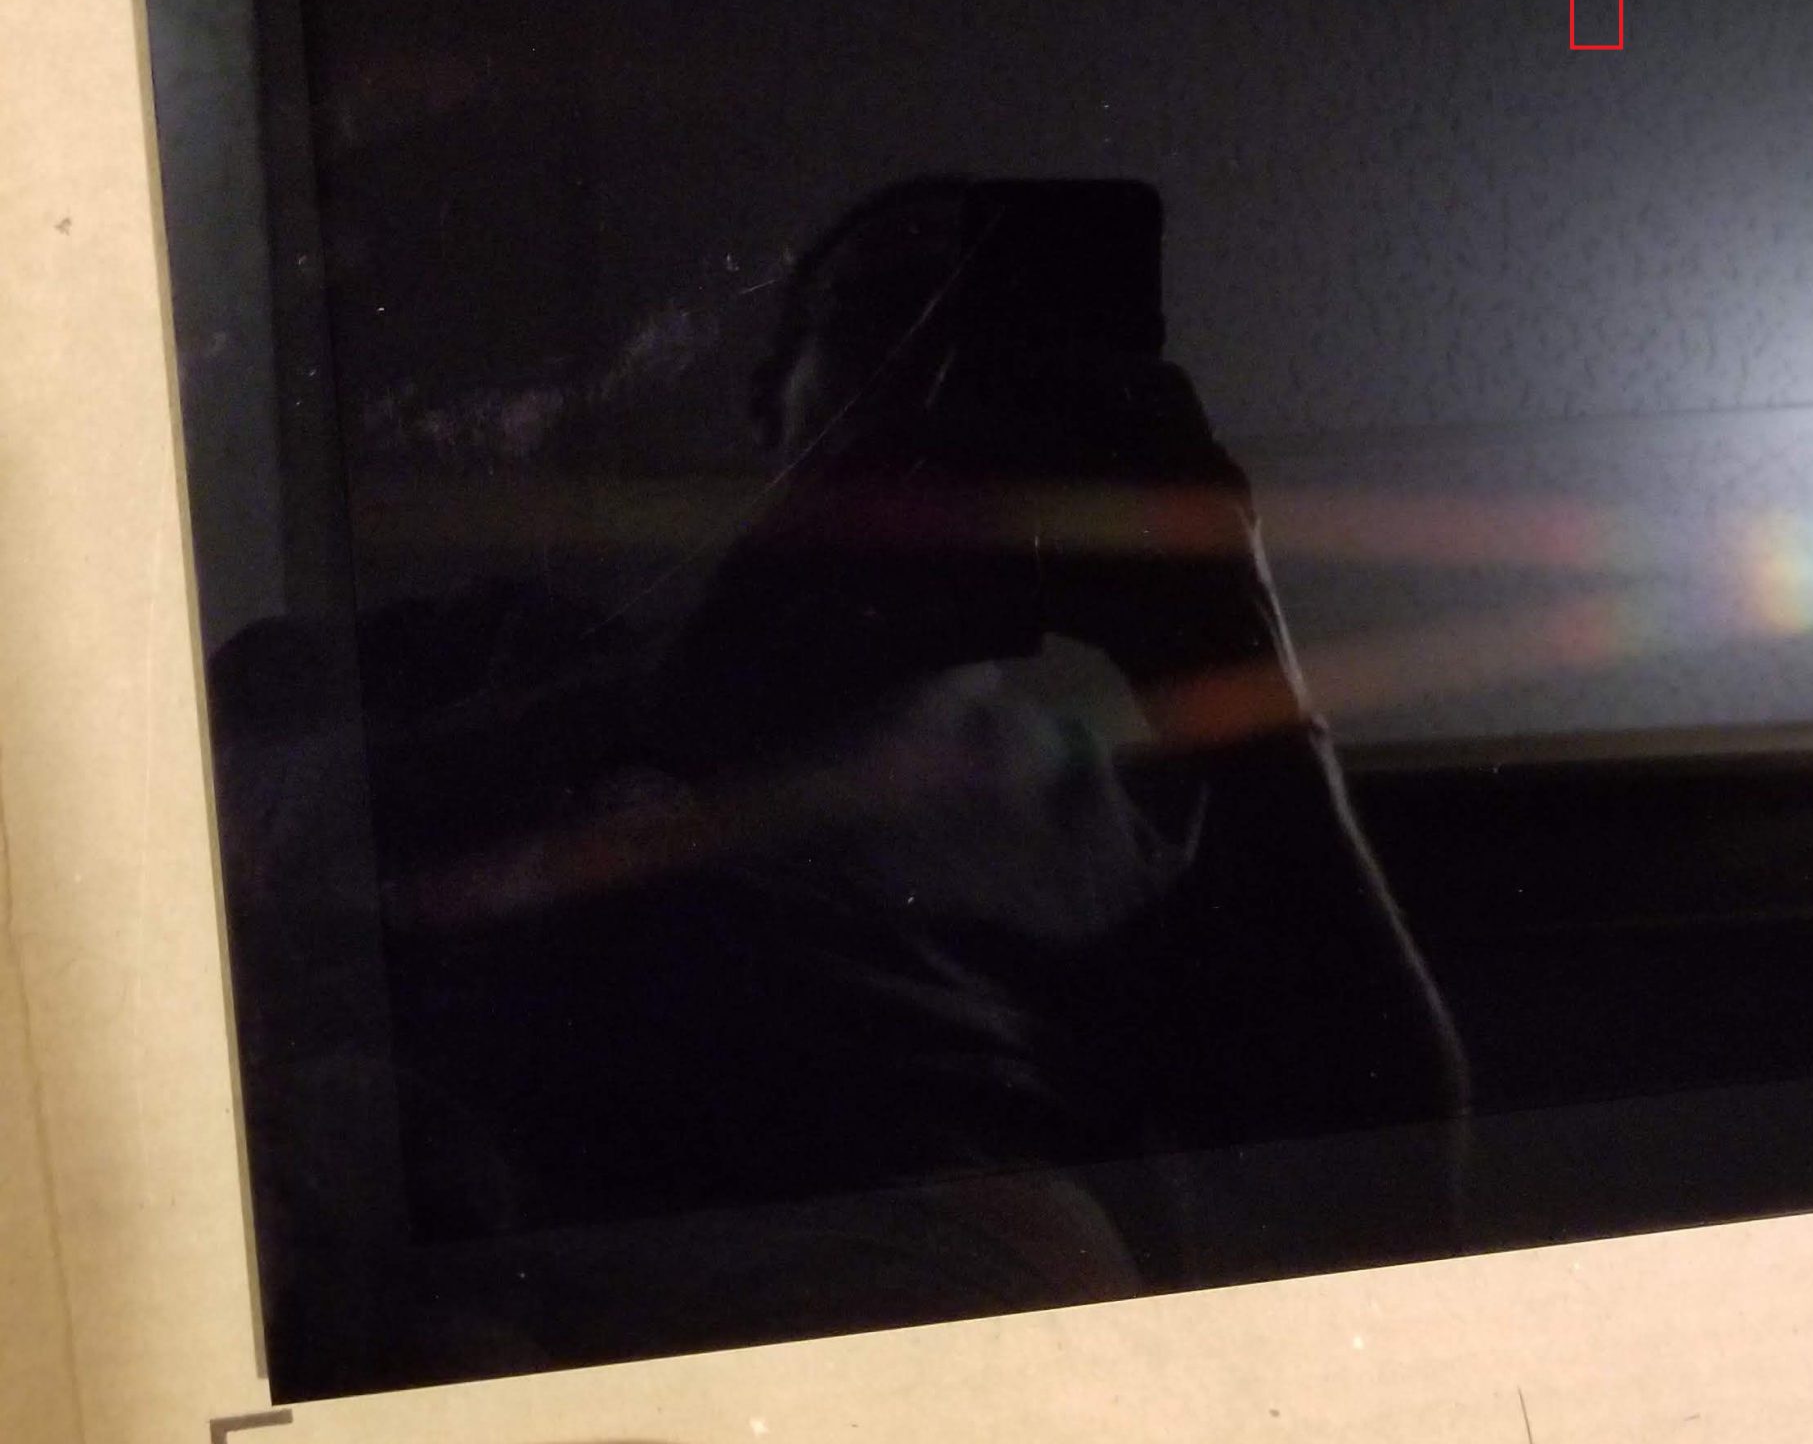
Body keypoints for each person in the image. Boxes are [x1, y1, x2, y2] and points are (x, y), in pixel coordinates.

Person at [377, 176, 1466, 1358]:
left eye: (990, 330)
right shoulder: (520, 649)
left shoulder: (1101, 819)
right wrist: (693, 681)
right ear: (771, 396)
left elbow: (1389, 1186)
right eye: (887, 311)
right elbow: (282, 845)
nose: (937, 368)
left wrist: (1239, 667)